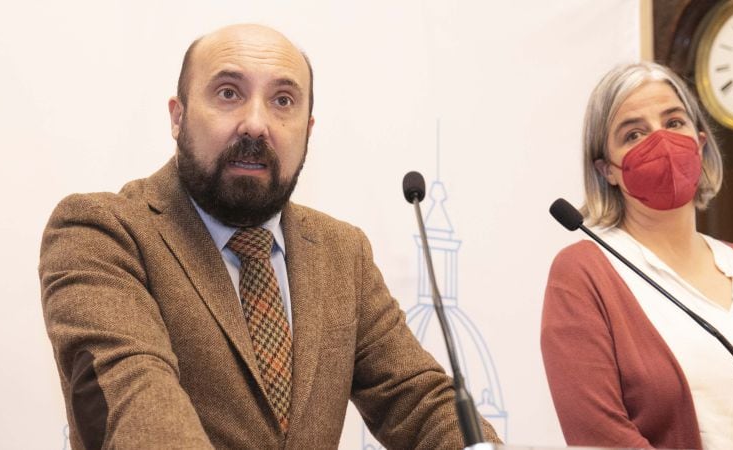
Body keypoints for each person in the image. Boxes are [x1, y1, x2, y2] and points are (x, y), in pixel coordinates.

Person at [39, 24, 499, 449]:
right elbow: (132, 398)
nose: (256, 124)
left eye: (283, 101)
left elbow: (418, 400)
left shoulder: (343, 253)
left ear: (308, 131)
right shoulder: (101, 231)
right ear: (177, 117)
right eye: (227, 93)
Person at [539, 62, 733, 450]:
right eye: (633, 133)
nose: (660, 141)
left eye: (674, 123)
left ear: (701, 141)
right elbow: (600, 436)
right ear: (607, 170)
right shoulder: (584, 272)